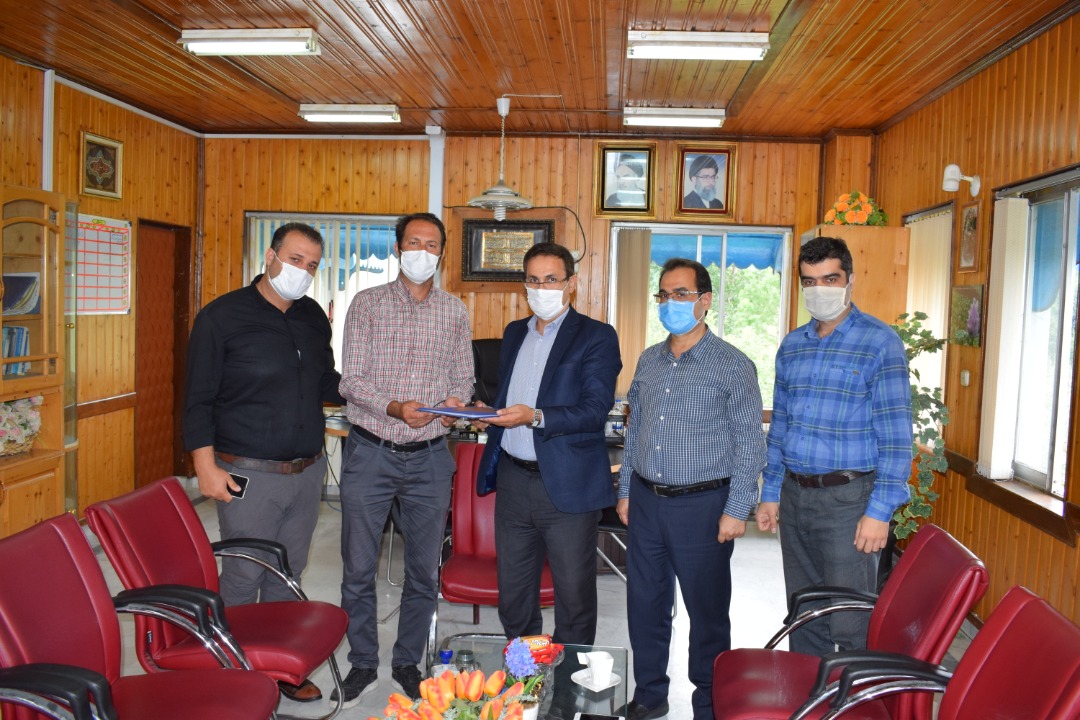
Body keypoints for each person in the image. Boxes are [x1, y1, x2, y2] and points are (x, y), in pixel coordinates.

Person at [183, 221, 345, 704]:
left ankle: (278, 668)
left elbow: (325, 382)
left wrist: (376, 391)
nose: (303, 271)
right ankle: (230, 675)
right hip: (247, 472)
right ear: (270, 257)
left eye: (312, 265)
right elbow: (197, 399)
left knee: (288, 572)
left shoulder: (312, 316)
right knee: (244, 575)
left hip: (306, 471)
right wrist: (205, 466)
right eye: (295, 259)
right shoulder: (221, 317)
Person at [333, 212, 474, 708]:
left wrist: (455, 404)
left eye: (431, 244)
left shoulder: (454, 311)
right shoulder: (367, 304)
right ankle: (363, 662)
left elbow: (463, 377)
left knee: (423, 571)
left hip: (431, 457)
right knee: (358, 567)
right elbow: (352, 380)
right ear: (398, 248)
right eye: (413, 242)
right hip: (371, 452)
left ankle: (408, 662)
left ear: (441, 253)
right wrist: (394, 408)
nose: (422, 251)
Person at [616, 258, 766, 720]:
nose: (671, 303)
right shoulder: (649, 360)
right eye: (663, 294)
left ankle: (708, 704)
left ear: (705, 300)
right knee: (645, 605)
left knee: (707, 615)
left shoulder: (733, 365)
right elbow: (635, 430)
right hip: (646, 501)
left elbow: (749, 443)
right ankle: (650, 694)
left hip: (703, 506)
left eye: (681, 294)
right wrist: (625, 490)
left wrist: (737, 509)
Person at [757, 236, 913, 658]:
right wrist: (770, 492)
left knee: (849, 617)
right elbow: (781, 425)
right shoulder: (793, 345)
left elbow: (896, 437)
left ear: (850, 280)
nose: (819, 289)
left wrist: (879, 513)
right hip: (795, 496)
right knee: (803, 611)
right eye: (810, 281)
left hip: (849, 500)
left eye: (830, 279)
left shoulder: (880, 343)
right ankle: (810, 689)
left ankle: (852, 693)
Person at [477, 242, 621, 645]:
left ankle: (568, 677)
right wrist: (485, 411)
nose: (541, 289)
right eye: (534, 280)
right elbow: (508, 398)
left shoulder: (596, 336)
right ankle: (524, 672)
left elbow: (594, 410)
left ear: (571, 283)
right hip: (513, 481)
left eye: (551, 279)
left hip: (567, 484)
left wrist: (535, 416)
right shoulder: (514, 333)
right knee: (514, 596)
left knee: (573, 599)